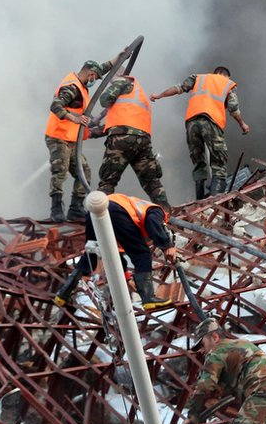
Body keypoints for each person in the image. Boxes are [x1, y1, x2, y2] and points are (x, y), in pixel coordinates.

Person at [186, 317, 266, 424]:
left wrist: (192, 415)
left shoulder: (216, 352)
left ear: (215, 337)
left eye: (202, 344)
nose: (201, 350)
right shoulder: (244, 344)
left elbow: (205, 385)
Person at [59, 193, 176, 310]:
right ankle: (148, 298)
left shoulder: (129, 218)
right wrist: (167, 246)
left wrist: (127, 278)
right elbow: (153, 221)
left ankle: (63, 294)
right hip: (114, 210)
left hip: (94, 212)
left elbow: (115, 253)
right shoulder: (157, 210)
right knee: (142, 254)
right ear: (167, 215)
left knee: (91, 255)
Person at [150, 66, 250, 199]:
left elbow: (179, 88)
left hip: (191, 123)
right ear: (226, 76)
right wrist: (242, 124)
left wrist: (159, 95)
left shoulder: (198, 78)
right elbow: (233, 109)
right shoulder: (228, 84)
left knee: (199, 163)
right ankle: (214, 203)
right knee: (219, 164)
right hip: (211, 122)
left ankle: (200, 201)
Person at [92, 73, 171, 210]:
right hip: (143, 141)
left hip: (122, 140)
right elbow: (121, 123)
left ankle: (99, 218)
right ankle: (166, 215)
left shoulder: (122, 81)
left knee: (108, 181)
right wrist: (92, 132)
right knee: (151, 181)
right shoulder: (138, 94)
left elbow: (105, 100)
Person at [44, 59, 110, 222]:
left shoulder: (81, 86)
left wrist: (122, 55)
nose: (95, 80)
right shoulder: (72, 87)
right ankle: (56, 209)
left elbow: (105, 67)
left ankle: (75, 208)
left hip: (72, 140)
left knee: (84, 172)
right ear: (90, 74)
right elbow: (55, 106)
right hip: (59, 137)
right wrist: (74, 118)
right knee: (60, 170)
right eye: (95, 77)